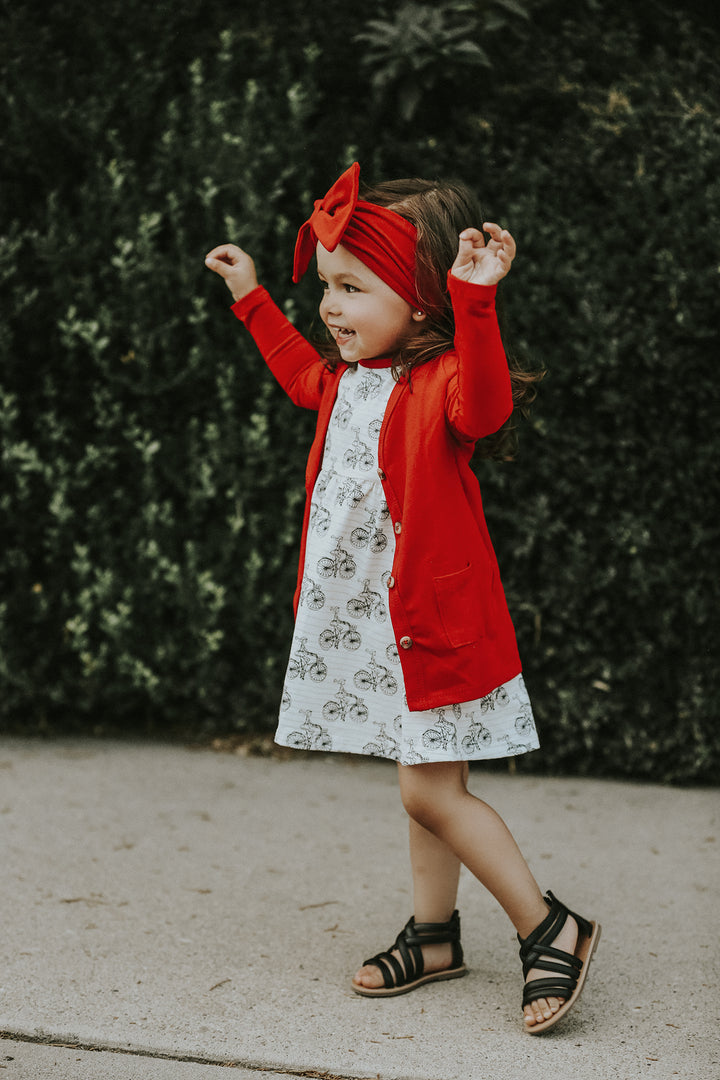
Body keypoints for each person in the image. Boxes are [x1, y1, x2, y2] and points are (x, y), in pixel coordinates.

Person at [205, 162, 600, 1034]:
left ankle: (552, 926)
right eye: (329, 287)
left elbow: (490, 408)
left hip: (433, 623)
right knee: (420, 779)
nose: (331, 307)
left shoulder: (446, 384)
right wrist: (255, 297)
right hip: (371, 628)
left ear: (422, 300)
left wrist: (479, 301)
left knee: (429, 794)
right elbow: (296, 372)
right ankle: (432, 937)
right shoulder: (346, 382)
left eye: (352, 288)